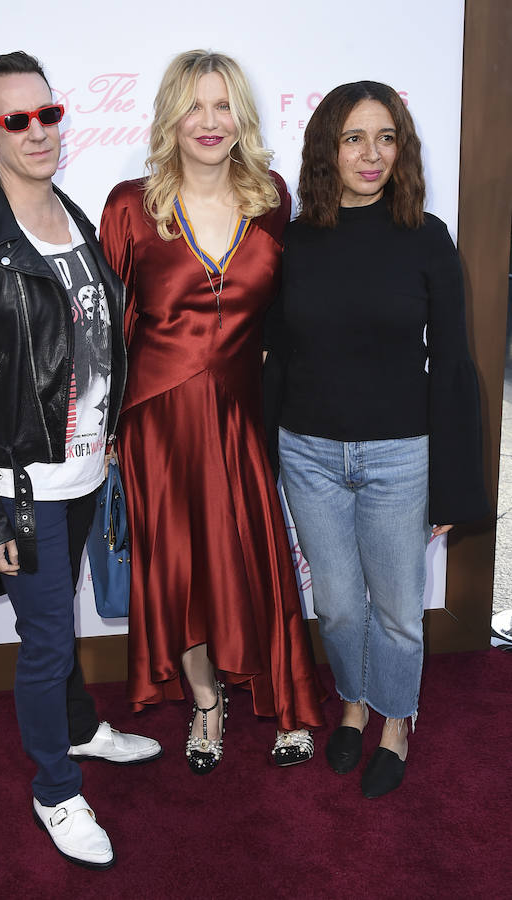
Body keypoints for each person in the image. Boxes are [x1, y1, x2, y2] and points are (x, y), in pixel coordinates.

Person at [0, 51, 162, 869]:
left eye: (46, 114)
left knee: (63, 621)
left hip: (85, 472)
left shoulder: (77, 221)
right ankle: (55, 791)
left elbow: (89, 351)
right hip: (19, 490)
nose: (36, 132)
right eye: (15, 120)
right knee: (49, 638)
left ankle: (83, 729)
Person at [99, 49, 325, 775]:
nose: (208, 121)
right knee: (178, 570)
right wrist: (103, 432)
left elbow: (287, 315)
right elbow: (104, 327)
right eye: (193, 105)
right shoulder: (130, 205)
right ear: (171, 115)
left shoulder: (272, 199)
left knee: (257, 561)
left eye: (222, 105)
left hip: (239, 417)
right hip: (156, 425)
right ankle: (205, 704)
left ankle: (289, 700)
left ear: (242, 118)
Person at [266, 81, 489, 798]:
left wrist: (455, 480)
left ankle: (396, 718)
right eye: (354, 137)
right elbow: (274, 354)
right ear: (328, 147)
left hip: (400, 455)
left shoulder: (426, 238)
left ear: (403, 148)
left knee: (396, 607)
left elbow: (454, 363)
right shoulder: (294, 239)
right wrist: (262, 454)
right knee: (334, 603)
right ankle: (355, 706)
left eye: (386, 137)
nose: (371, 153)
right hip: (309, 453)